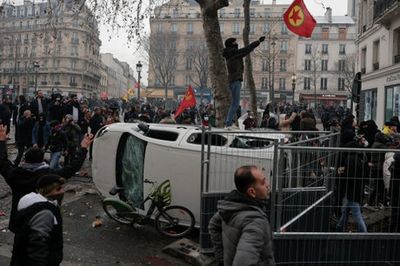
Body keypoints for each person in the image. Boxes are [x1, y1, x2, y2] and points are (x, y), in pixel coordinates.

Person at [0, 124, 92, 232]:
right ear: (42, 160)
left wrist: (2, 141)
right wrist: (83, 147)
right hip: (42, 221)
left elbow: (2, 162)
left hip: (20, 220)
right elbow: (72, 167)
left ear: (25, 161)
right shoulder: (49, 176)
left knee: (20, 245)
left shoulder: (15, 175)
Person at [208, 165, 274, 266]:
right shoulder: (255, 222)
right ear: (252, 192)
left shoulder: (231, 207)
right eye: (263, 182)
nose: (267, 185)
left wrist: (222, 259)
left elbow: (213, 225)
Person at [11, 174, 66, 265]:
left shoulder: (32, 204)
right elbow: (37, 247)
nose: (63, 191)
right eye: (58, 189)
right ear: (47, 190)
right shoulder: (45, 213)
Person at [223, 36, 265, 128]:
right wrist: (258, 42)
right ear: (231, 44)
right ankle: (228, 123)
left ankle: (229, 122)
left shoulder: (230, 54)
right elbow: (246, 49)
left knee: (234, 103)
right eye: (235, 42)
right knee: (235, 103)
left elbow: (246, 51)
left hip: (231, 80)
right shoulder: (234, 54)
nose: (236, 43)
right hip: (235, 80)